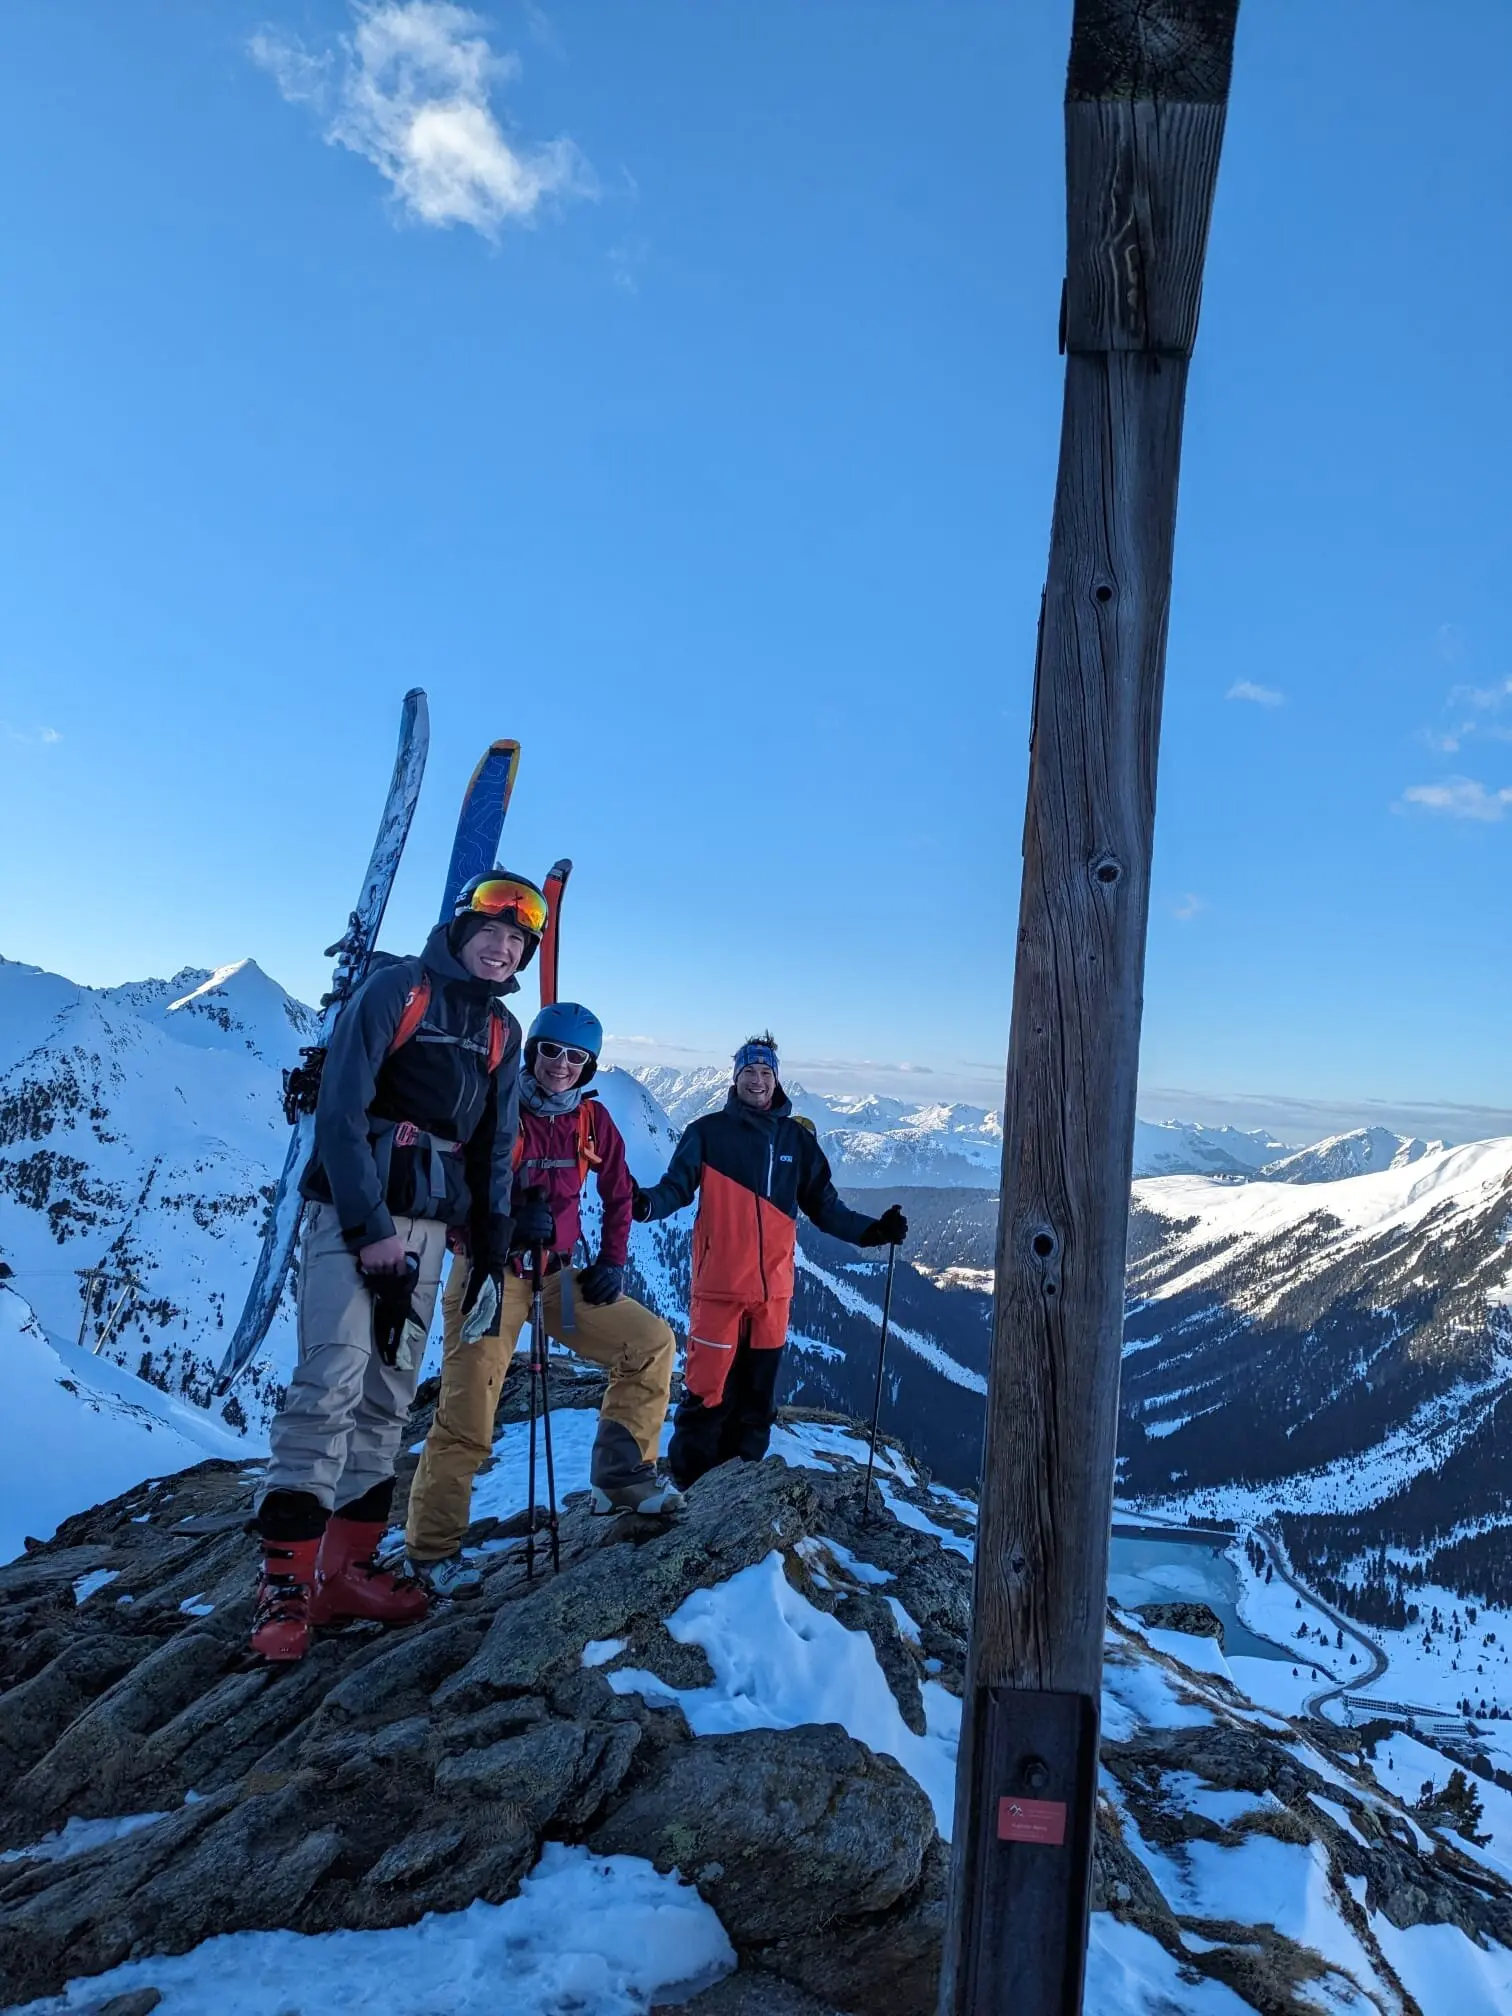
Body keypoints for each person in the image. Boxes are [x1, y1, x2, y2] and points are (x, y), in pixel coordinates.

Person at [249, 869, 545, 1663]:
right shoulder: (395, 989)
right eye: (492, 929)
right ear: (460, 929)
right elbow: (341, 1113)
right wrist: (369, 1226)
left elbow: (494, 1144)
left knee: (385, 1397)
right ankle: (284, 1585)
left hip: (427, 1226)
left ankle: (345, 1570)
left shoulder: (502, 1033)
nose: (503, 944)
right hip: (358, 1215)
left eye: (518, 938)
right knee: (333, 1378)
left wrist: (490, 1245)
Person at [405, 1000, 681, 1590]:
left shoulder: (590, 1120)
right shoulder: (493, 1104)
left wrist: (611, 1260)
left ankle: (622, 1480)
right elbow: (450, 1183)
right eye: (551, 1050)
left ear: (589, 1067)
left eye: (576, 1057)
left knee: (650, 1343)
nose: (561, 1065)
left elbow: (619, 1192)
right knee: (468, 1413)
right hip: (490, 1273)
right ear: (531, 1050)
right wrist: (501, 1223)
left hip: (556, 1276)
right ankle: (432, 1552)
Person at [632, 1033, 907, 1489]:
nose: (757, 1080)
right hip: (719, 1287)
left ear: (775, 1080)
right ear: (735, 1077)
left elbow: (825, 1206)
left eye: (765, 1073)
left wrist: (873, 1231)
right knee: (706, 1390)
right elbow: (676, 1188)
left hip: (773, 1293)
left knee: (757, 1395)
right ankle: (690, 1483)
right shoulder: (707, 1132)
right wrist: (646, 1204)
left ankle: (742, 1484)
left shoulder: (796, 1141)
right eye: (749, 1072)